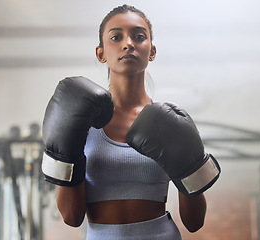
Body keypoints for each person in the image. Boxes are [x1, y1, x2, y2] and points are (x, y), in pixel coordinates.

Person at [41, 5, 220, 240]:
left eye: (139, 36)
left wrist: (188, 166)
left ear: (152, 51)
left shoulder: (168, 124)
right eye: (116, 37)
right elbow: (71, 217)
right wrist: (66, 154)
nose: (128, 44)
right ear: (101, 53)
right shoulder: (82, 120)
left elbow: (194, 222)